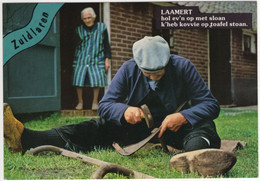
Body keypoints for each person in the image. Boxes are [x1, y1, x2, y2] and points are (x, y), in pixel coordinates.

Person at [4, 36, 233, 176]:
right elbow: (105, 106)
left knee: (203, 125)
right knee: (96, 126)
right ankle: (26, 138)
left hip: (177, 130)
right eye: (148, 74)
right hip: (138, 131)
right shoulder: (128, 69)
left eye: (159, 73)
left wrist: (183, 116)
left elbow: (210, 105)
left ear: (168, 62)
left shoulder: (183, 66)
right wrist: (123, 111)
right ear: (137, 64)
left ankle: (194, 157)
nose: (154, 78)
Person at [73, 7, 111, 110]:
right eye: (85, 18)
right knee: (79, 80)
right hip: (81, 58)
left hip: (97, 57)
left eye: (89, 18)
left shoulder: (102, 27)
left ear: (94, 17)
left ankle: (95, 102)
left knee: (96, 80)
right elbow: (74, 45)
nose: (87, 20)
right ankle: (80, 102)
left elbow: (106, 45)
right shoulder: (79, 29)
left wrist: (107, 60)